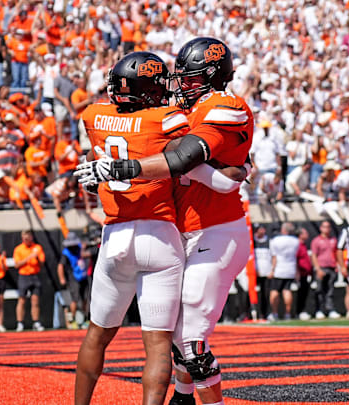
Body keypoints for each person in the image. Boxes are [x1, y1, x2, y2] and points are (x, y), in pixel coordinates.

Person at [76, 38, 253, 405]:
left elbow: (192, 161)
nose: (180, 87)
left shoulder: (226, 106)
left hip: (216, 229)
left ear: (211, 77)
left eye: (188, 80)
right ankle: (183, 396)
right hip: (176, 231)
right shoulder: (172, 112)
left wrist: (123, 169)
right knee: (170, 332)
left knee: (188, 337)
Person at [73, 52, 188, 405]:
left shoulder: (93, 116)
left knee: (97, 335)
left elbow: (87, 161)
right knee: (156, 343)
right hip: (159, 233)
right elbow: (183, 161)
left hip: (116, 236)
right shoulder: (167, 119)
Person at [12, 229, 46, 332]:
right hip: (24, 276)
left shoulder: (37, 247)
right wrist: (29, 257)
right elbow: (17, 265)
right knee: (22, 300)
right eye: (24, 238)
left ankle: (36, 322)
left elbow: (42, 263)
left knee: (35, 300)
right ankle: (20, 323)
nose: (26, 239)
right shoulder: (19, 249)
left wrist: (36, 258)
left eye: (28, 237)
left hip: (35, 275)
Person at [266, 223, 300, 322]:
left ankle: (275, 313)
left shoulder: (275, 241)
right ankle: (287, 313)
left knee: (274, 291)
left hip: (279, 269)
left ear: (283, 230)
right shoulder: (295, 241)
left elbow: (274, 257)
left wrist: (272, 270)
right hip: (290, 268)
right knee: (287, 290)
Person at [57, 232, 89, 330]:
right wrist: (62, 278)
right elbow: (60, 266)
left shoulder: (80, 247)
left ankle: (84, 319)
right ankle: (73, 320)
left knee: (85, 299)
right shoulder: (66, 253)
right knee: (74, 299)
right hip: (73, 278)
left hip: (83, 276)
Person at [311, 221, 341, 319]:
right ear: (321, 228)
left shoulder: (333, 240)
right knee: (319, 290)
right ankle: (320, 309)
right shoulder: (316, 240)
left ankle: (330, 309)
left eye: (328, 227)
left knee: (330, 290)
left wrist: (337, 265)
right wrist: (317, 269)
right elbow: (314, 255)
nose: (326, 229)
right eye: (324, 227)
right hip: (321, 267)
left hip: (331, 267)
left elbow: (337, 253)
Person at [253, 224, 272, 319]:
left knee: (266, 294)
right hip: (254, 273)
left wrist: (272, 270)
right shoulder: (252, 242)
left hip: (266, 273)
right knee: (255, 294)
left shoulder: (269, 241)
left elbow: (273, 256)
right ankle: (254, 313)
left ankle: (265, 313)